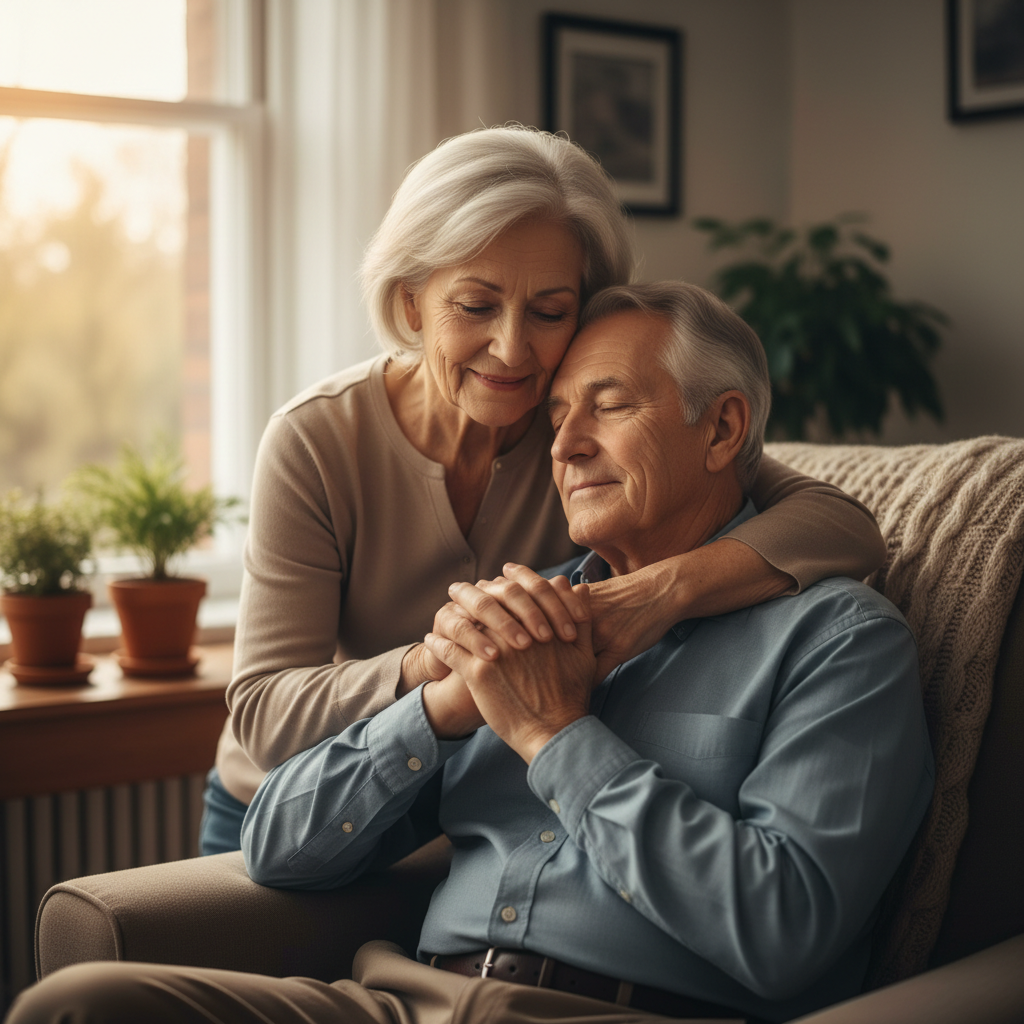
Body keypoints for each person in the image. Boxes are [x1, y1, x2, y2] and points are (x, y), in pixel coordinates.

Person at [9, 282, 932, 1024]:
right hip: (399, 1001)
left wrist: (557, 735)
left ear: (724, 430)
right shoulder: (523, 614)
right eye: (558, 414)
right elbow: (278, 848)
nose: (564, 445)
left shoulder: (838, 642)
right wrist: (441, 708)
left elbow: (784, 933)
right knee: (80, 1004)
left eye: (607, 408)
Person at [201, 125, 888, 855]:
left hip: (468, 804)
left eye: (550, 311)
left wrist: (656, 594)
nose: (511, 349)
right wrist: (442, 661)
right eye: (474, 305)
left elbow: (840, 526)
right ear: (410, 306)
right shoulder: (317, 438)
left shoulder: (583, 442)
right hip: (295, 798)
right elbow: (267, 714)